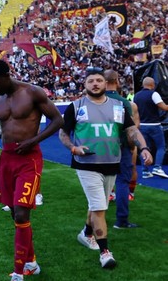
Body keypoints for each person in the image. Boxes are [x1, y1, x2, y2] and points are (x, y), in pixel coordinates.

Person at [0, 59, 63, 281]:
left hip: (29, 159)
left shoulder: (32, 92)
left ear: (7, 74)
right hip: (7, 159)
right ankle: (31, 263)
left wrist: (33, 140)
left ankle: (18, 276)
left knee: (21, 212)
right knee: (14, 214)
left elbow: (58, 120)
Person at [59, 67, 153, 269]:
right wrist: (74, 148)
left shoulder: (118, 107)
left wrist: (143, 147)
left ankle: (86, 233)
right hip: (86, 165)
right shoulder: (76, 106)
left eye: (98, 80)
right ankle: (105, 253)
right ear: (84, 85)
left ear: (106, 83)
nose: (95, 84)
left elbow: (131, 130)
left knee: (97, 205)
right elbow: (63, 133)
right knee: (100, 208)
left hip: (112, 164)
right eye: (90, 80)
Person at [103, 70, 141, 229]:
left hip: (100, 147)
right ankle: (121, 221)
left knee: (99, 183)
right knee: (122, 182)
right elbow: (130, 128)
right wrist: (132, 147)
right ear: (117, 81)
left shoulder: (94, 101)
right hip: (120, 146)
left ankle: (94, 221)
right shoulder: (123, 102)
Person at [133, 76, 168, 179]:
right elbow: (164, 107)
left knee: (145, 148)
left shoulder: (136, 96)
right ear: (152, 85)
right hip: (154, 125)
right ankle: (157, 167)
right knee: (161, 147)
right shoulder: (154, 94)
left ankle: (145, 171)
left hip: (142, 126)